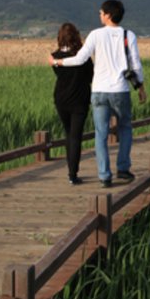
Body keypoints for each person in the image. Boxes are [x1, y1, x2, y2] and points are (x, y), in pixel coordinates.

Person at [50, 0, 146, 188]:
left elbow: (79, 59)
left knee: (100, 133)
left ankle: (104, 175)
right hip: (120, 90)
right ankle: (123, 168)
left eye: (101, 12)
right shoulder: (129, 35)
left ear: (108, 15)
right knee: (125, 128)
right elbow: (135, 64)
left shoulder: (95, 35)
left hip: (99, 91)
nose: (99, 15)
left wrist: (57, 62)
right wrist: (141, 87)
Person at [50, 23, 94, 185]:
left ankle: (71, 171)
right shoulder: (83, 58)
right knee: (76, 136)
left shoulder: (54, 57)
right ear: (76, 36)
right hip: (80, 100)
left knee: (68, 133)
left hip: (61, 98)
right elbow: (91, 77)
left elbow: (59, 71)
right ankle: (72, 174)